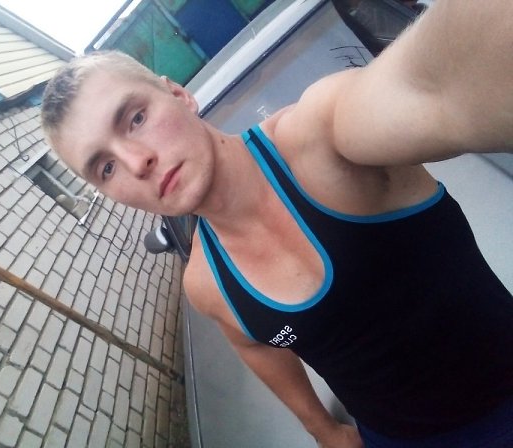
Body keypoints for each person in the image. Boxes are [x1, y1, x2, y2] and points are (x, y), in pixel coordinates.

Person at [41, 1, 513, 446]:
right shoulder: (206, 283)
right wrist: (323, 429)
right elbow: (259, 347)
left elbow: (438, 88)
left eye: (136, 118)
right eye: (105, 167)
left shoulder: (320, 139)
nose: (135, 162)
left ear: (179, 95)